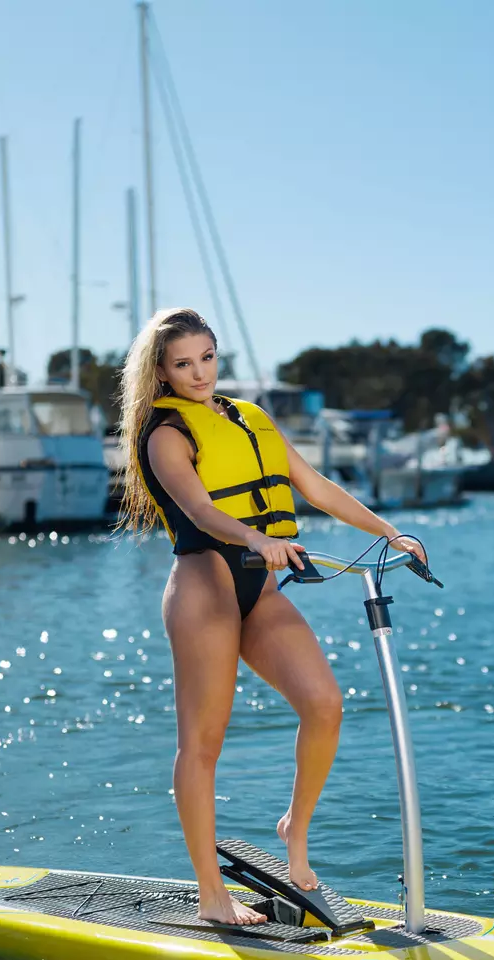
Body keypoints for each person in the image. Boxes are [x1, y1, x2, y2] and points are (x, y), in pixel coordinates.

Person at [116, 307, 425, 925]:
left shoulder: (248, 416)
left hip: (259, 586)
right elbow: (201, 511)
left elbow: (314, 486)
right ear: (161, 371)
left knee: (325, 704)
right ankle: (212, 894)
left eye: (207, 358)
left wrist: (388, 531)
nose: (199, 373)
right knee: (201, 745)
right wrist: (258, 542)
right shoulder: (165, 434)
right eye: (183, 364)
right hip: (206, 581)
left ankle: (295, 831)